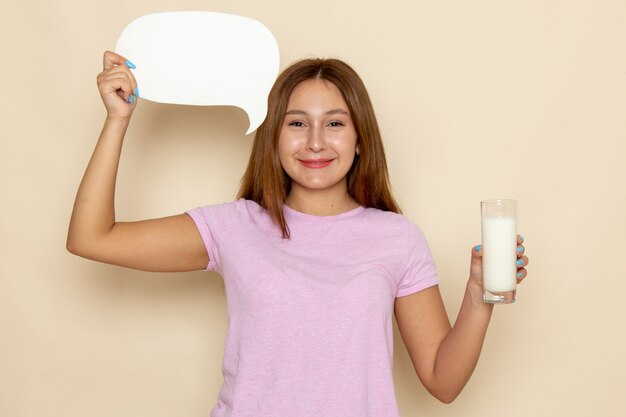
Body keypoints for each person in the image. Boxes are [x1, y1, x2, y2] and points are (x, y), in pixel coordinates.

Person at [67, 51, 529, 417]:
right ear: (273, 136)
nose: (314, 142)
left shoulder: (397, 238)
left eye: (334, 122)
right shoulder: (235, 226)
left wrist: (478, 293)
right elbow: (91, 238)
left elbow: (442, 382)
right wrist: (118, 120)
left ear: (359, 137)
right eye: (296, 123)